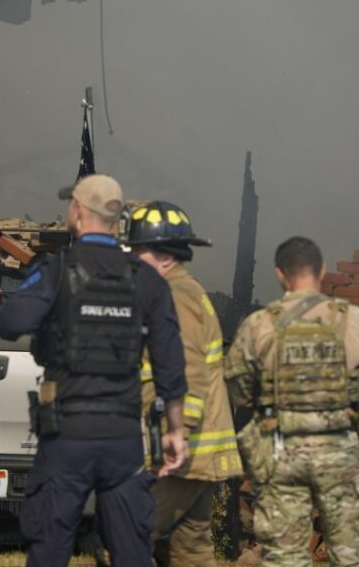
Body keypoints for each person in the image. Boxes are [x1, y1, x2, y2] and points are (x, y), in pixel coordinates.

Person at [0, 174, 189, 567]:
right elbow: (170, 362)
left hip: (66, 434)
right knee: (132, 552)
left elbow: (10, 323)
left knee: (49, 547)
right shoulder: (147, 279)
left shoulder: (57, 269)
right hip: (122, 439)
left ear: (79, 212)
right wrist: (176, 431)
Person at [224, 236, 359, 567]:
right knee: (353, 553)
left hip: (280, 453)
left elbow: (239, 391)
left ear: (279, 274)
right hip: (338, 452)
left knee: (285, 555)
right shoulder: (356, 322)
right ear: (322, 270)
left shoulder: (258, 325)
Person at [127, 201, 244, 567]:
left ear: (163, 254)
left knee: (126, 533)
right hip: (195, 454)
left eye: (137, 251)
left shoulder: (174, 297)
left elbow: (186, 370)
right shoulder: (186, 291)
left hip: (181, 451)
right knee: (191, 551)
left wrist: (175, 431)